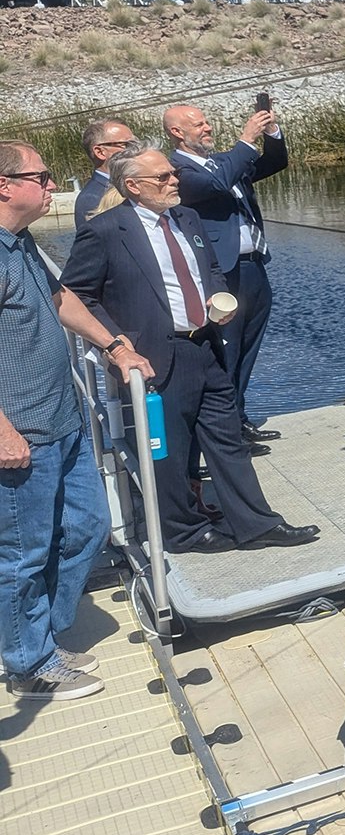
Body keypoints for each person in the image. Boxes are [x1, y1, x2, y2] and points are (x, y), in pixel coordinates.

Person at [60, 146, 318, 557]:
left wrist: (217, 296)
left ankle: (256, 524)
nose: (174, 180)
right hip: (154, 354)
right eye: (162, 177)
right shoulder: (106, 230)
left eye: (172, 173)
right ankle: (184, 532)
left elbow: (209, 269)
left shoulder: (187, 218)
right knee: (171, 449)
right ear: (133, 186)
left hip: (205, 345)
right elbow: (77, 295)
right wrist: (117, 342)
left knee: (227, 437)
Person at [1, 140, 155, 701]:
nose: (52, 186)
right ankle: (28, 663)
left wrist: (115, 345)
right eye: (41, 177)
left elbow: (60, 297)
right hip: (21, 433)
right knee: (22, 554)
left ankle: (38, 634)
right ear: (4, 186)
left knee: (88, 527)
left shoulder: (20, 242)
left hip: (62, 419)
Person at [165, 98, 287, 446]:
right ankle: (225, 429)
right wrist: (246, 140)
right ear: (177, 132)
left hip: (253, 267)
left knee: (248, 347)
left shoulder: (223, 162)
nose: (208, 128)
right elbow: (216, 185)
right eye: (199, 124)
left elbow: (274, 162)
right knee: (227, 350)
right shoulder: (177, 171)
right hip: (222, 273)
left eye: (207, 122)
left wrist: (270, 131)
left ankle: (239, 417)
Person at [74, 118, 137, 229]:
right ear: (100, 152)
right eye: (127, 145)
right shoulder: (91, 198)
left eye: (136, 144)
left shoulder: (129, 185)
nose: (136, 150)